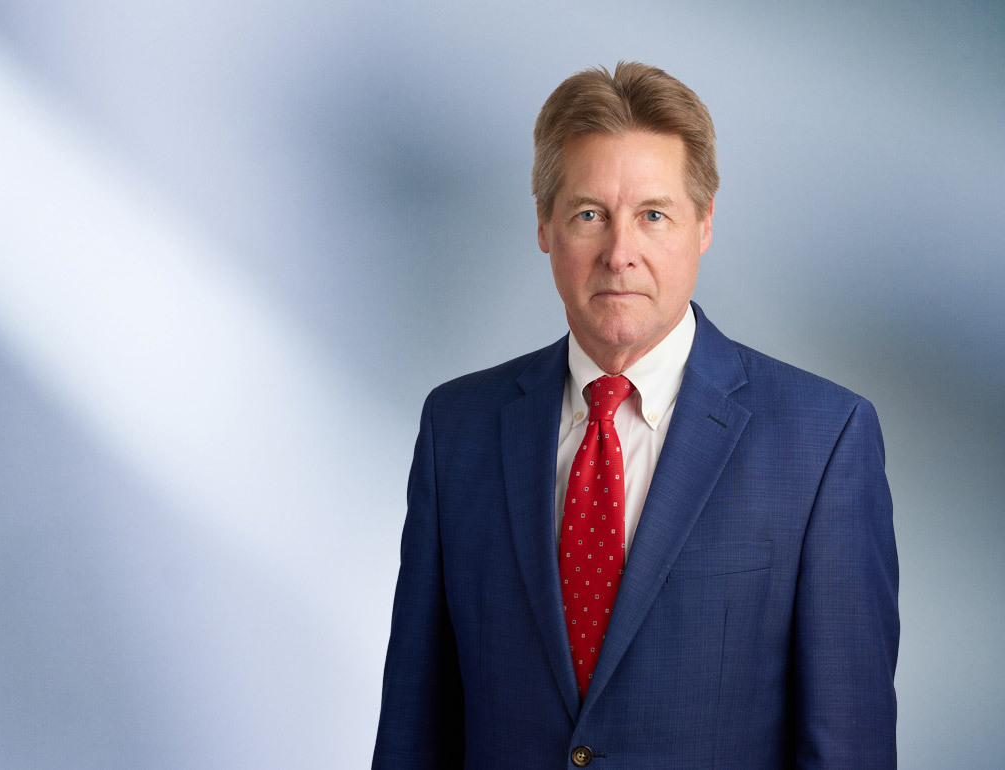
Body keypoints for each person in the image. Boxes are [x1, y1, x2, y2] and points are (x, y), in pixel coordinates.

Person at [372, 61, 899, 768]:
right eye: (590, 214)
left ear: (704, 225)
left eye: (654, 215)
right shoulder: (457, 430)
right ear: (545, 227)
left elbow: (847, 750)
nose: (621, 254)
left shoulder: (822, 442)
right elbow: (415, 732)